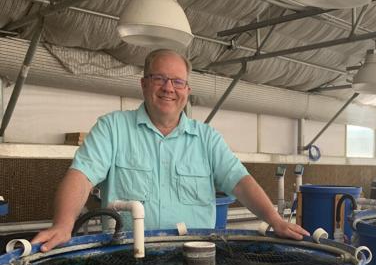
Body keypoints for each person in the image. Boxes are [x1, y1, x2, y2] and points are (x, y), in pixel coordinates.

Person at [33, 49, 308, 251]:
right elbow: (81, 176)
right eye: (159, 79)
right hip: (127, 255)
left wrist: (275, 220)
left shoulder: (206, 138)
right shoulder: (113, 128)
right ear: (143, 84)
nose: (168, 88)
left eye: (177, 82)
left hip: (195, 256)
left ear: (187, 90)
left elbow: (240, 182)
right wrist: (63, 224)